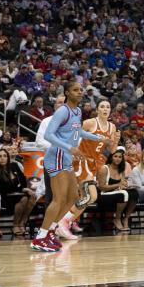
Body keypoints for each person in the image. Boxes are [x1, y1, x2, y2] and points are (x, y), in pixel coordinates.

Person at [31, 82, 110, 252]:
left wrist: (98, 139)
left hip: (66, 158)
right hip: (57, 156)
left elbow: (78, 133)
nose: (80, 92)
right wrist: (70, 148)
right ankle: (40, 237)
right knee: (59, 199)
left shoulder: (78, 111)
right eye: (75, 90)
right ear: (67, 92)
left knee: (73, 196)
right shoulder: (63, 111)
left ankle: (51, 231)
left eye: (81, 90)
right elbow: (48, 135)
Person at [55, 100, 117, 240]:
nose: (105, 109)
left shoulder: (112, 127)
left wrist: (116, 141)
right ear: (98, 109)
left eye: (107, 106)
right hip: (81, 161)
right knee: (91, 196)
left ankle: (65, 224)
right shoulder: (90, 123)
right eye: (102, 106)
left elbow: (111, 150)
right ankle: (63, 222)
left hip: (93, 164)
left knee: (84, 197)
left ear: (110, 110)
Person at [0, 148, 36, 236]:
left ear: (8, 157)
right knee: (23, 199)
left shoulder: (14, 166)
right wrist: (22, 189)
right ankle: (15, 225)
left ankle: (22, 222)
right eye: (0, 156)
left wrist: (24, 189)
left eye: (5, 156)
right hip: (6, 196)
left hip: (19, 193)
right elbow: (2, 188)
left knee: (32, 196)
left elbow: (23, 180)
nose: (2, 158)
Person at [97, 148, 137, 232]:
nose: (117, 159)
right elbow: (101, 187)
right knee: (123, 194)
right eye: (115, 156)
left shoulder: (121, 169)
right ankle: (117, 219)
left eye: (120, 157)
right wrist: (118, 185)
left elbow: (121, 184)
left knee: (134, 193)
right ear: (111, 157)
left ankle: (126, 218)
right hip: (104, 195)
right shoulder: (104, 169)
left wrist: (125, 185)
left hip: (116, 194)